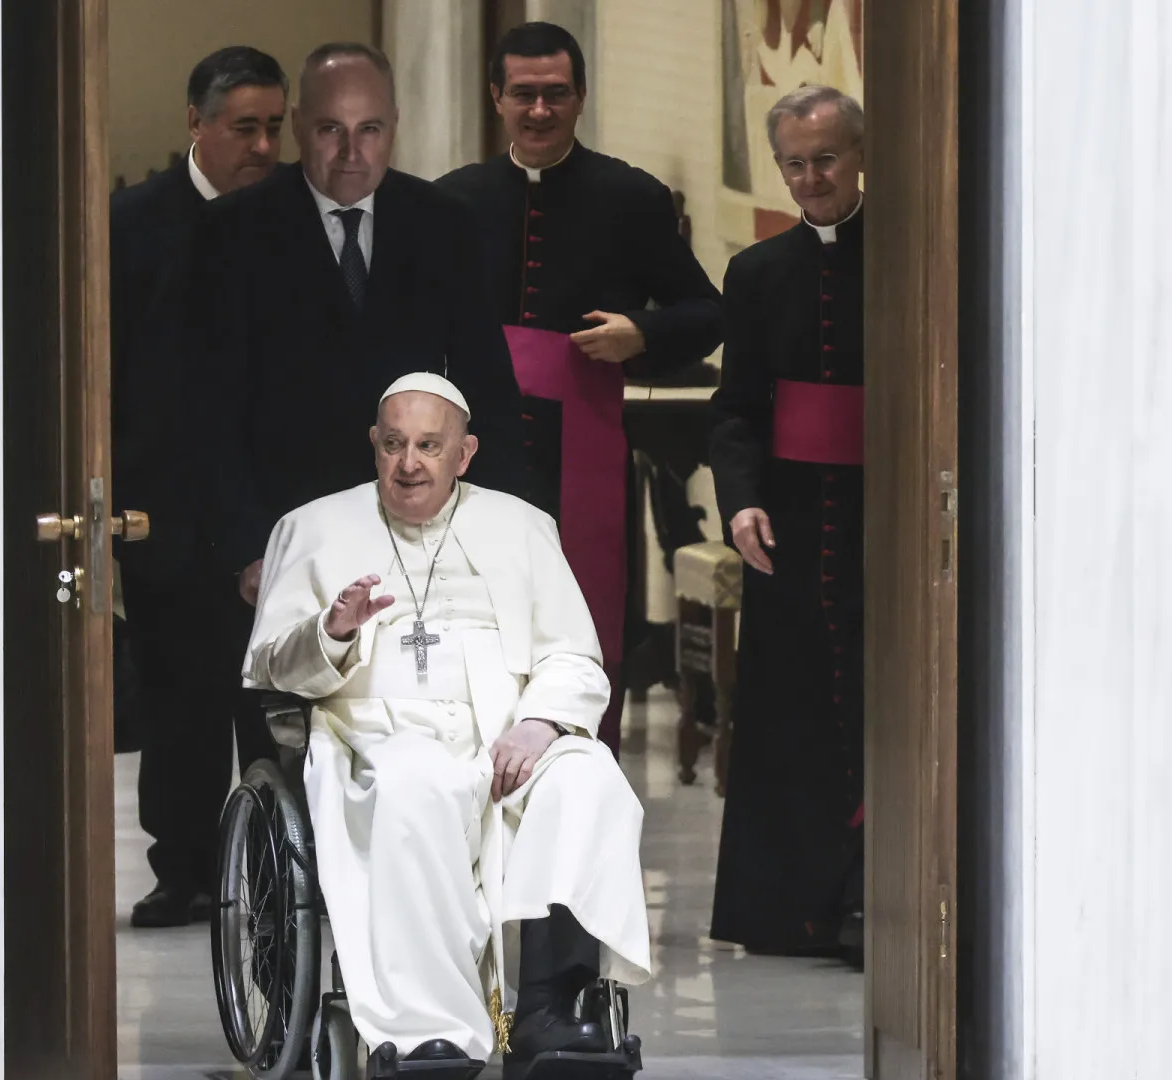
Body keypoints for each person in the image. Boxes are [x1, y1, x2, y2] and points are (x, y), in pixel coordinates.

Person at [243, 373, 650, 1070]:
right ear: (374, 445)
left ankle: (551, 1011)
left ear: (465, 454)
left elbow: (575, 659)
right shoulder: (311, 528)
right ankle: (430, 1026)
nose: (410, 464)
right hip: (374, 734)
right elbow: (272, 669)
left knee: (586, 782)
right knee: (416, 786)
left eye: (430, 446)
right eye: (395, 444)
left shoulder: (522, 526)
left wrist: (542, 724)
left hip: (509, 728)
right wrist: (332, 631)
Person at [437, 21, 723, 754]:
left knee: (584, 624)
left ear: (581, 96)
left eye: (556, 94)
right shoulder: (450, 203)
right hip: (475, 454)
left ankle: (578, 781)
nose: (540, 110)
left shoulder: (630, 197)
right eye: (524, 94)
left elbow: (709, 310)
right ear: (496, 96)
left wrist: (643, 334)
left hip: (582, 455)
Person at [199, 42, 533, 609]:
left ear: (395, 126)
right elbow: (206, 410)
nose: (352, 152)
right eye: (332, 129)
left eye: (370, 129)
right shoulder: (231, 233)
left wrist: (503, 533)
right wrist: (245, 549)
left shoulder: (444, 225)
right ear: (299, 126)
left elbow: (487, 390)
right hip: (283, 535)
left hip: (417, 528)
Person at [110, 45, 287, 928]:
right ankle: (180, 867)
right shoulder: (131, 222)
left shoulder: (292, 218)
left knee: (271, 701)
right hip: (165, 504)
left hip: (268, 507)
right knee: (178, 699)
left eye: (273, 127)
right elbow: (102, 371)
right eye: (243, 126)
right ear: (196, 123)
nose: (262, 145)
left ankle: (272, 871)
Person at [707, 85, 867, 962]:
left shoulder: (907, 256)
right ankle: (793, 908)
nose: (811, 180)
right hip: (794, 529)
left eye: (826, 160)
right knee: (795, 721)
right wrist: (741, 501)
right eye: (794, 165)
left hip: (883, 521)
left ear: (858, 153)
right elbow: (738, 410)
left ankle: (871, 898)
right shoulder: (758, 273)